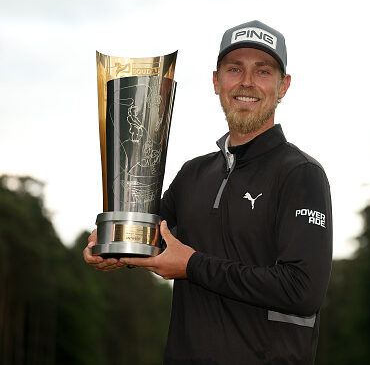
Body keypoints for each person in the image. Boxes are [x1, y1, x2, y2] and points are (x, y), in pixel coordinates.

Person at [84, 20, 333, 364]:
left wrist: (192, 265)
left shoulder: (301, 174)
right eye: (234, 69)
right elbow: (148, 236)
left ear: (283, 86)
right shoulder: (193, 174)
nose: (246, 82)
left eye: (263, 71)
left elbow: (302, 290)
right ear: (216, 81)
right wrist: (110, 247)